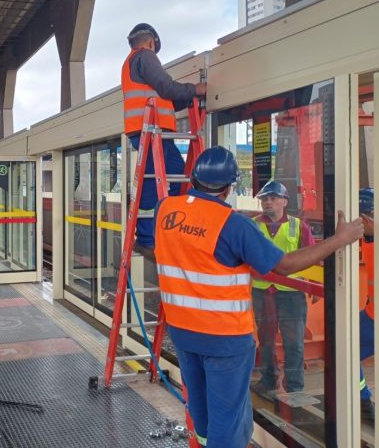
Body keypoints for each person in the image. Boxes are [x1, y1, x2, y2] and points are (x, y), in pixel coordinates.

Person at [152, 146, 363, 448]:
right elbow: (285, 265)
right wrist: (340, 240)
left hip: (184, 334)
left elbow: (180, 243)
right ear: (229, 187)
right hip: (225, 338)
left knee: (202, 414)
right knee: (228, 416)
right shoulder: (234, 225)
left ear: (194, 179)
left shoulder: (166, 209)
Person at [121, 23, 206, 260]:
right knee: (151, 183)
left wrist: (187, 97)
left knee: (178, 172)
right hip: (150, 131)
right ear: (151, 43)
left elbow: (165, 98)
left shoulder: (133, 64)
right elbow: (167, 87)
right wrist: (196, 88)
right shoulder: (144, 57)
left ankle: (174, 226)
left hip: (152, 132)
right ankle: (147, 239)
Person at [251, 180, 314, 395]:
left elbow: (311, 256)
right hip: (262, 291)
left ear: (284, 202)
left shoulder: (298, 226)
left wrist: (313, 283)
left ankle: (295, 387)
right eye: (264, 199)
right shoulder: (253, 225)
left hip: (291, 293)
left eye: (273, 198)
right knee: (266, 339)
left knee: (294, 342)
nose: (267, 202)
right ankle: (269, 380)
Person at [358, 188, 376, 424]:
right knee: (345, 348)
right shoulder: (369, 237)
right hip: (371, 314)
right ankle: (363, 400)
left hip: (375, 320)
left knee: (346, 350)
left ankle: (363, 401)